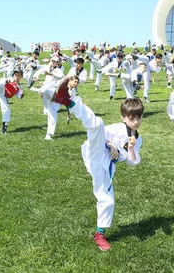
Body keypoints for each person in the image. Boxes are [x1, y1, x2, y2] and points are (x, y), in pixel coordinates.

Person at [55, 88, 144, 251]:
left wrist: (130, 148)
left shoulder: (137, 139)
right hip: (96, 152)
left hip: (106, 166)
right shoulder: (116, 128)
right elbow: (102, 135)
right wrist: (111, 145)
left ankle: (99, 234)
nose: (136, 121)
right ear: (123, 118)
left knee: (108, 200)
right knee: (97, 125)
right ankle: (67, 101)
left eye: (139, 117)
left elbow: (134, 163)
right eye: (132, 118)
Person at [0, 69, 24, 134]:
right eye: (15, 75)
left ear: (21, 76)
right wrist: (9, 81)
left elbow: (19, 96)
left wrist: (22, 94)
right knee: (2, 80)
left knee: (6, 111)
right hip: (1, 90)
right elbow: (5, 81)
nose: (16, 76)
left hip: (4, 96)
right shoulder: (11, 79)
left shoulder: (19, 86)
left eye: (18, 75)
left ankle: (4, 127)